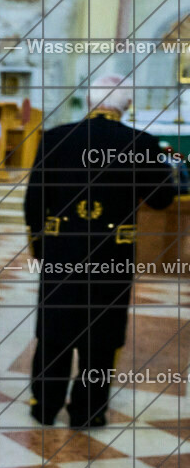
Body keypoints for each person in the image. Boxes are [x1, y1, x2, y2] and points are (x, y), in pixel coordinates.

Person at [24, 74, 176, 428]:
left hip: (62, 250)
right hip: (113, 254)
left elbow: (35, 202)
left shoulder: (55, 138)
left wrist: (42, 249)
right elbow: (162, 198)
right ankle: (88, 410)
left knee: (55, 328)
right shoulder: (142, 143)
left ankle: (44, 406)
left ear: (89, 101)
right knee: (102, 332)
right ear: (128, 105)